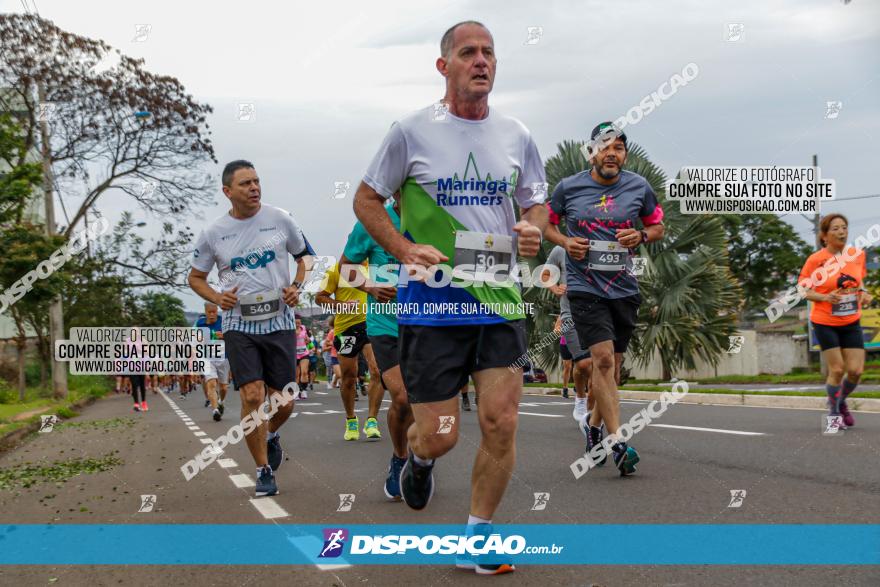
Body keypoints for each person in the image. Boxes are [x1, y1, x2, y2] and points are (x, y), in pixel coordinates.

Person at [352, 20, 547, 575]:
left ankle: (478, 539)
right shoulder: (411, 131)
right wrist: (404, 247)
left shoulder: (517, 133)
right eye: (469, 53)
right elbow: (366, 200)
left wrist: (532, 227)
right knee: (440, 436)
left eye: (489, 52)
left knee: (501, 421)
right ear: (445, 66)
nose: (481, 61)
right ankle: (416, 458)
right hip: (433, 303)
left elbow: (534, 203)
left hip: (501, 297)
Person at [188, 159, 314, 497]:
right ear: (228, 192)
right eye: (245, 183)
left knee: (284, 400)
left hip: (279, 321)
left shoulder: (280, 219)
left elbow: (306, 257)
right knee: (253, 395)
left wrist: (297, 286)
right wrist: (216, 297)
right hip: (238, 324)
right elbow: (195, 277)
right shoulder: (214, 233)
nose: (254, 187)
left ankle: (270, 434)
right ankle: (262, 470)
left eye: (257, 181)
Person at [548, 121, 664, 476]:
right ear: (592, 152)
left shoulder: (639, 187)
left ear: (624, 154)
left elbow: (658, 226)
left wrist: (641, 235)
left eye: (618, 148)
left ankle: (595, 429)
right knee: (600, 362)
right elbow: (545, 225)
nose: (611, 153)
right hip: (585, 289)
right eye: (605, 146)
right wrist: (566, 242)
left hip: (624, 289)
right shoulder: (568, 188)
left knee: (610, 368)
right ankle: (618, 442)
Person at [341, 192, 416, 500]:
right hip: (385, 324)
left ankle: (422, 455)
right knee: (401, 396)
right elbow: (347, 267)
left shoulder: (437, 220)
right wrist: (369, 286)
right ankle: (400, 458)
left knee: (425, 402)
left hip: (429, 323)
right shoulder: (372, 222)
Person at [798, 213, 872, 428]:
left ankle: (840, 402)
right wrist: (823, 297)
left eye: (844, 227)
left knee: (856, 371)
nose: (842, 232)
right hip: (824, 321)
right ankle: (834, 413)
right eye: (835, 229)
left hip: (850, 321)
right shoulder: (816, 260)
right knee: (837, 369)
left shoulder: (857, 255)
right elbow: (802, 290)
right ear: (824, 236)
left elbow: (860, 282)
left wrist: (864, 293)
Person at [315, 261, 383, 440]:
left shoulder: (376, 267)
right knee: (349, 377)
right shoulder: (336, 270)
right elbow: (319, 297)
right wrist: (341, 305)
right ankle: (351, 420)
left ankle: (372, 421)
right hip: (346, 330)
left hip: (372, 325)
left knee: (377, 371)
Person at [544, 245, 593, 421]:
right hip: (570, 316)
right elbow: (545, 275)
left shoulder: (600, 244)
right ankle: (580, 398)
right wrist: (555, 288)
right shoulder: (559, 250)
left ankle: (593, 419)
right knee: (584, 364)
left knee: (598, 366)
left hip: (597, 315)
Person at [194, 302, 230, 422]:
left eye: (214, 311)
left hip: (223, 357)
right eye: (209, 312)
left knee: (224, 387)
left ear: (217, 310)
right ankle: (215, 410)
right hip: (207, 358)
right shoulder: (199, 324)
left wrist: (224, 336)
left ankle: (221, 402)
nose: (212, 314)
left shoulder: (223, 321)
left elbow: (234, 337)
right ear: (205, 312)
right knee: (211, 383)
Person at [294, 317, 311, 398]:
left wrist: (307, 339)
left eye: (299, 323)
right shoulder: (290, 330)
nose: (298, 324)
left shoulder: (303, 328)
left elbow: (307, 338)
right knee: (296, 375)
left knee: (304, 372)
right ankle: (297, 391)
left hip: (304, 353)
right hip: (294, 354)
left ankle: (303, 390)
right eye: (296, 323)